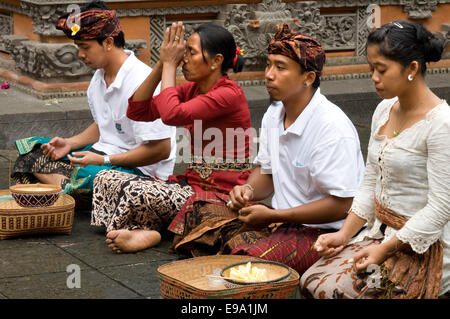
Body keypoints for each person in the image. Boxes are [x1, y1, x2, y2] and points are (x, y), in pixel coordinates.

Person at [168, 23, 365, 277]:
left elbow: (342, 205)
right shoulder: (275, 113)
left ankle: (244, 254)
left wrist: (277, 214)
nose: (269, 74)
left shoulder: (331, 127)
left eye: (280, 67)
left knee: (246, 265)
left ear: (308, 78)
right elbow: (267, 172)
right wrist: (247, 190)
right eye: (268, 65)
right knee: (199, 207)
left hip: (325, 232)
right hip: (280, 220)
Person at [300, 20, 449, 299]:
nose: (374, 77)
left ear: (412, 69)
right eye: (371, 69)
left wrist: (385, 248)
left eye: (381, 69)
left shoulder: (441, 123)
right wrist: (344, 235)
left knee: (335, 291)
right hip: (379, 233)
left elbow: (441, 208)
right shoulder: (383, 109)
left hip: (422, 244)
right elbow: (370, 182)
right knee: (311, 279)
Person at [91, 21, 252, 253]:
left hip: (219, 197)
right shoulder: (192, 90)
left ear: (216, 61)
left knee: (136, 191)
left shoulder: (229, 93)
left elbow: (171, 115)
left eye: (191, 52)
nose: (183, 59)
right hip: (192, 187)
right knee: (106, 179)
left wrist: (169, 66)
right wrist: (160, 64)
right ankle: (152, 230)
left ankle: (150, 231)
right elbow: (138, 110)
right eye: (183, 52)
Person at [11, 0, 176, 205]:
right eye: (78, 47)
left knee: (89, 176)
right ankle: (73, 191)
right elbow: (104, 125)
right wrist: (69, 143)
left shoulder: (142, 82)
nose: (80, 55)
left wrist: (104, 160)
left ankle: (67, 190)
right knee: (32, 151)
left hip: (141, 174)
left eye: (85, 47)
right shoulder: (99, 77)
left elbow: (161, 149)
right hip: (102, 157)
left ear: (107, 42)